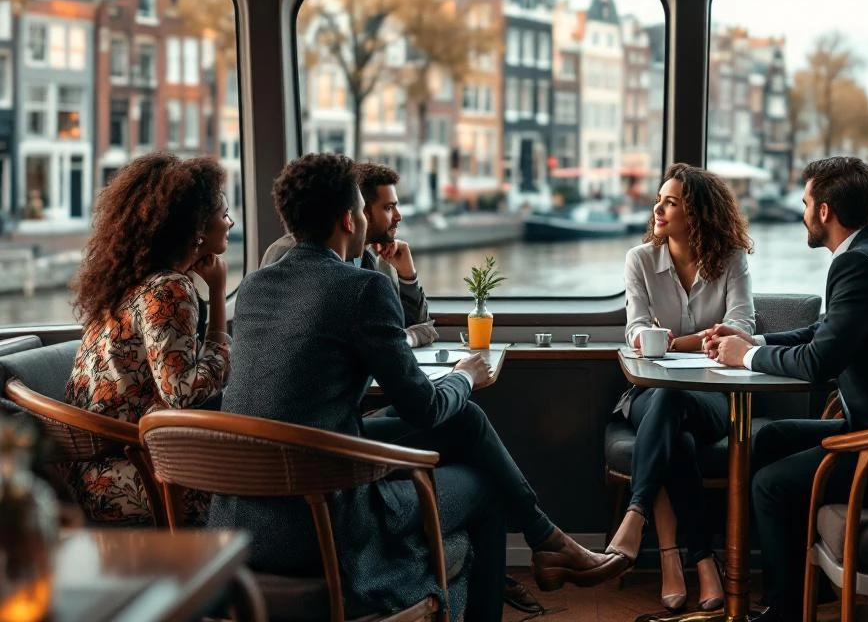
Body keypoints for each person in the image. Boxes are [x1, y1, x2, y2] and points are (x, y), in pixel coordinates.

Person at [211, 153, 627, 622]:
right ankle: (545, 543)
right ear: (351, 219)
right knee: (484, 484)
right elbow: (424, 409)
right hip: (322, 519)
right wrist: (465, 376)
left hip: (240, 523)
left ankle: (548, 540)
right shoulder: (362, 289)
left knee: (465, 419)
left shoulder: (255, 287)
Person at [705, 156, 868, 622]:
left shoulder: (859, 266)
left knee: (770, 486)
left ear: (824, 212)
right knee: (769, 438)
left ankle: (785, 609)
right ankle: (790, 585)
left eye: (806, 202)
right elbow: (823, 332)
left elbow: (817, 361)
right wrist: (755, 340)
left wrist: (741, 357)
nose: (803, 212)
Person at [605, 163, 754, 612]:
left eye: (671, 202)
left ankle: (639, 516)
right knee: (671, 413)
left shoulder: (731, 259)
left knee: (678, 421)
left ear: (698, 212)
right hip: (646, 394)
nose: (658, 208)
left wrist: (671, 341)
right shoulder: (641, 260)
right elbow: (635, 330)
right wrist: (686, 338)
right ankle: (703, 562)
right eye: (660, 198)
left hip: (713, 398)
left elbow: (742, 328)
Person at [66, 153, 233, 524]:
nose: (230, 222)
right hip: (128, 471)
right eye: (223, 214)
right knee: (252, 482)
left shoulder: (132, 284)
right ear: (198, 228)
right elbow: (183, 392)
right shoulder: (169, 288)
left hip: (92, 470)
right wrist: (219, 294)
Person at [261, 161, 436, 346]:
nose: (398, 216)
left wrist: (407, 277)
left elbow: (418, 326)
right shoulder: (285, 253)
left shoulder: (379, 261)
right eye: (388, 207)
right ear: (360, 213)